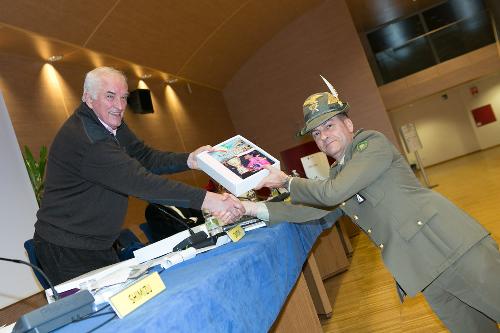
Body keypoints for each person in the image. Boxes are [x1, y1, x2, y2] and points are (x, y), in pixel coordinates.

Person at [242, 83, 500, 333]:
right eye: (317, 133)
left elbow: (334, 192)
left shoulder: (370, 144)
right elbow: (312, 209)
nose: (323, 136)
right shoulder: (338, 173)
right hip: (423, 269)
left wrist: (287, 181)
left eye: (329, 125)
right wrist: (251, 209)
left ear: (349, 124)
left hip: (453, 250)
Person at [34, 66, 244, 285]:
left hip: (97, 243)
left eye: (124, 97)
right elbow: (142, 183)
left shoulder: (108, 122)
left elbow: (144, 156)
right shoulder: (90, 141)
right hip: (67, 249)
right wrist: (211, 201)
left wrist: (189, 159)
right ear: (88, 97)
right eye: (110, 96)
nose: (119, 106)